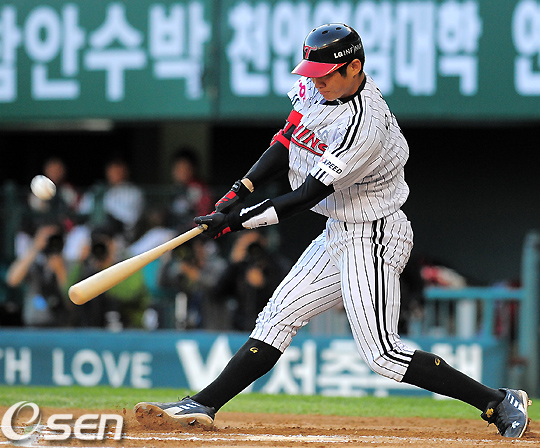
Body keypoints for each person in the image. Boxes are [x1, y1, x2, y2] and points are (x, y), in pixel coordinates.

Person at [134, 24, 530, 438]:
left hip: (373, 232)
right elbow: (286, 140)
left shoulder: (364, 125)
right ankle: (203, 404)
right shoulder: (315, 89)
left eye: (324, 74)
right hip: (338, 228)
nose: (315, 81)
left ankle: (498, 401)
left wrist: (234, 222)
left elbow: (305, 195)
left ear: (354, 67)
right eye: (311, 72)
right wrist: (239, 190)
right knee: (276, 318)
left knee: (383, 353)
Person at [211, 230, 289, 332]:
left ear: (263, 241)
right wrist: (233, 263)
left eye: (254, 243)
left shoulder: (277, 264)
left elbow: (286, 299)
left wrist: (263, 285)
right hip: (240, 327)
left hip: (270, 328)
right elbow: (218, 293)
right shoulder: (240, 266)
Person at [5, 223, 70, 327]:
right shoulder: (32, 263)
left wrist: (59, 269)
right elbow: (12, 280)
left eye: (53, 237)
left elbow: (71, 296)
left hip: (61, 325)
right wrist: (35, 248)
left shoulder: (68, 263)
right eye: (45, 237)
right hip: (33, 324)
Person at [168, 148, 213, 233]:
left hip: (193, 234)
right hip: (176, 231)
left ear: (193, 169)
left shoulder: (197, 188)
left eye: (184, 169)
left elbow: (203, 216)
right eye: (178, 169)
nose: (181, 173)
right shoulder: (176, 189)